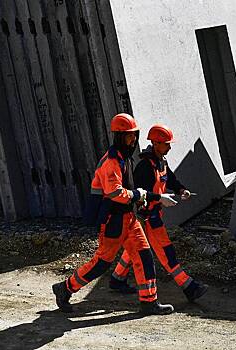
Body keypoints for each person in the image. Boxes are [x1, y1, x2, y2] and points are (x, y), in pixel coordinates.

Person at [52, 114, 177, 315]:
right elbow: (115, 193)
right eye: (129, 136)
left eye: (134, 135)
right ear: (119, 136)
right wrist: (140, 194)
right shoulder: (112, 162)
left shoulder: (123, 158)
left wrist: (146, 197)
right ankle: (65, 288)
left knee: (144, 257)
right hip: (113, 220)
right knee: (101, 263)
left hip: (128, 219)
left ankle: (149, 302)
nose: (133, 140)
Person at [108, 124, 208, 302]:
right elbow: (139, 193)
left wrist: (181, 190)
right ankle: (189, 287)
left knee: (134, 250)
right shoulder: (145, 167)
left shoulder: (160, 162)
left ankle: (117, 278)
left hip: (150, 216)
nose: (169, 147)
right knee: (165, 251)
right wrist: (160, 197)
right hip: (146, 217)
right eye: (166, 144)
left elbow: (170, 179)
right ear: (155, 143)